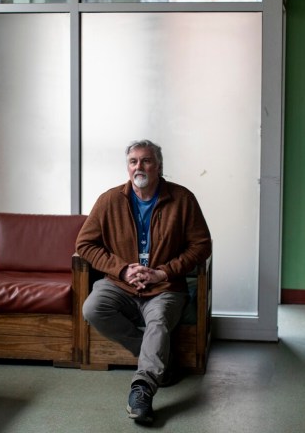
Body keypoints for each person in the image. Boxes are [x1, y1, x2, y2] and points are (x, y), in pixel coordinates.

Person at [75, 139, 211, 425]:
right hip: (119, 285)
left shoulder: (182, 199)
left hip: (164, 288)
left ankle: (143, 389)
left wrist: (163, 272)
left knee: (158, 321)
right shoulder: (109, 200)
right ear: (128, 167)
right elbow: (85, 245)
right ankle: (161, 357)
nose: (140, 166)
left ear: (159, 166)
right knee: (92, 309)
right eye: (133, 161)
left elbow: (201, 246)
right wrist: (122, 270)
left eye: (146, 160)